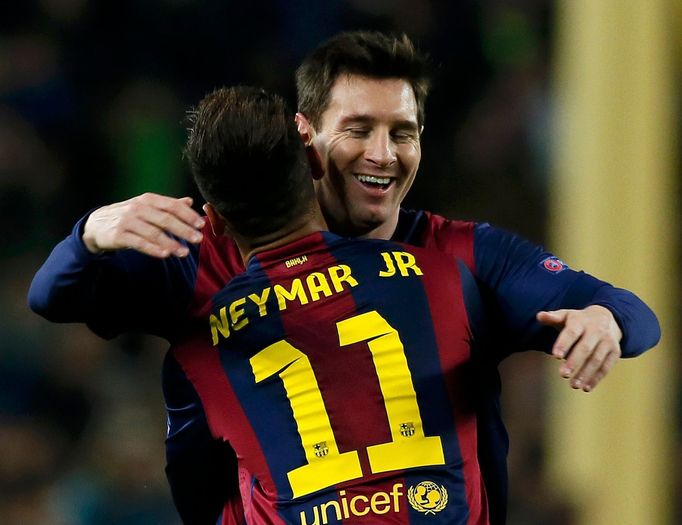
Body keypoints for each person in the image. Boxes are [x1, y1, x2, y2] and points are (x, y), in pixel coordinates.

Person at [28, 32, 660, 524]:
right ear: (306, 138)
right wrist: (92, 231)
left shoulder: (461, 252)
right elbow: (54, 296)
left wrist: (605, 319)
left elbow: (629, 311)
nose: (383, 154)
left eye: (402, 133)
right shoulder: (206, 252)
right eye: (359, 130)